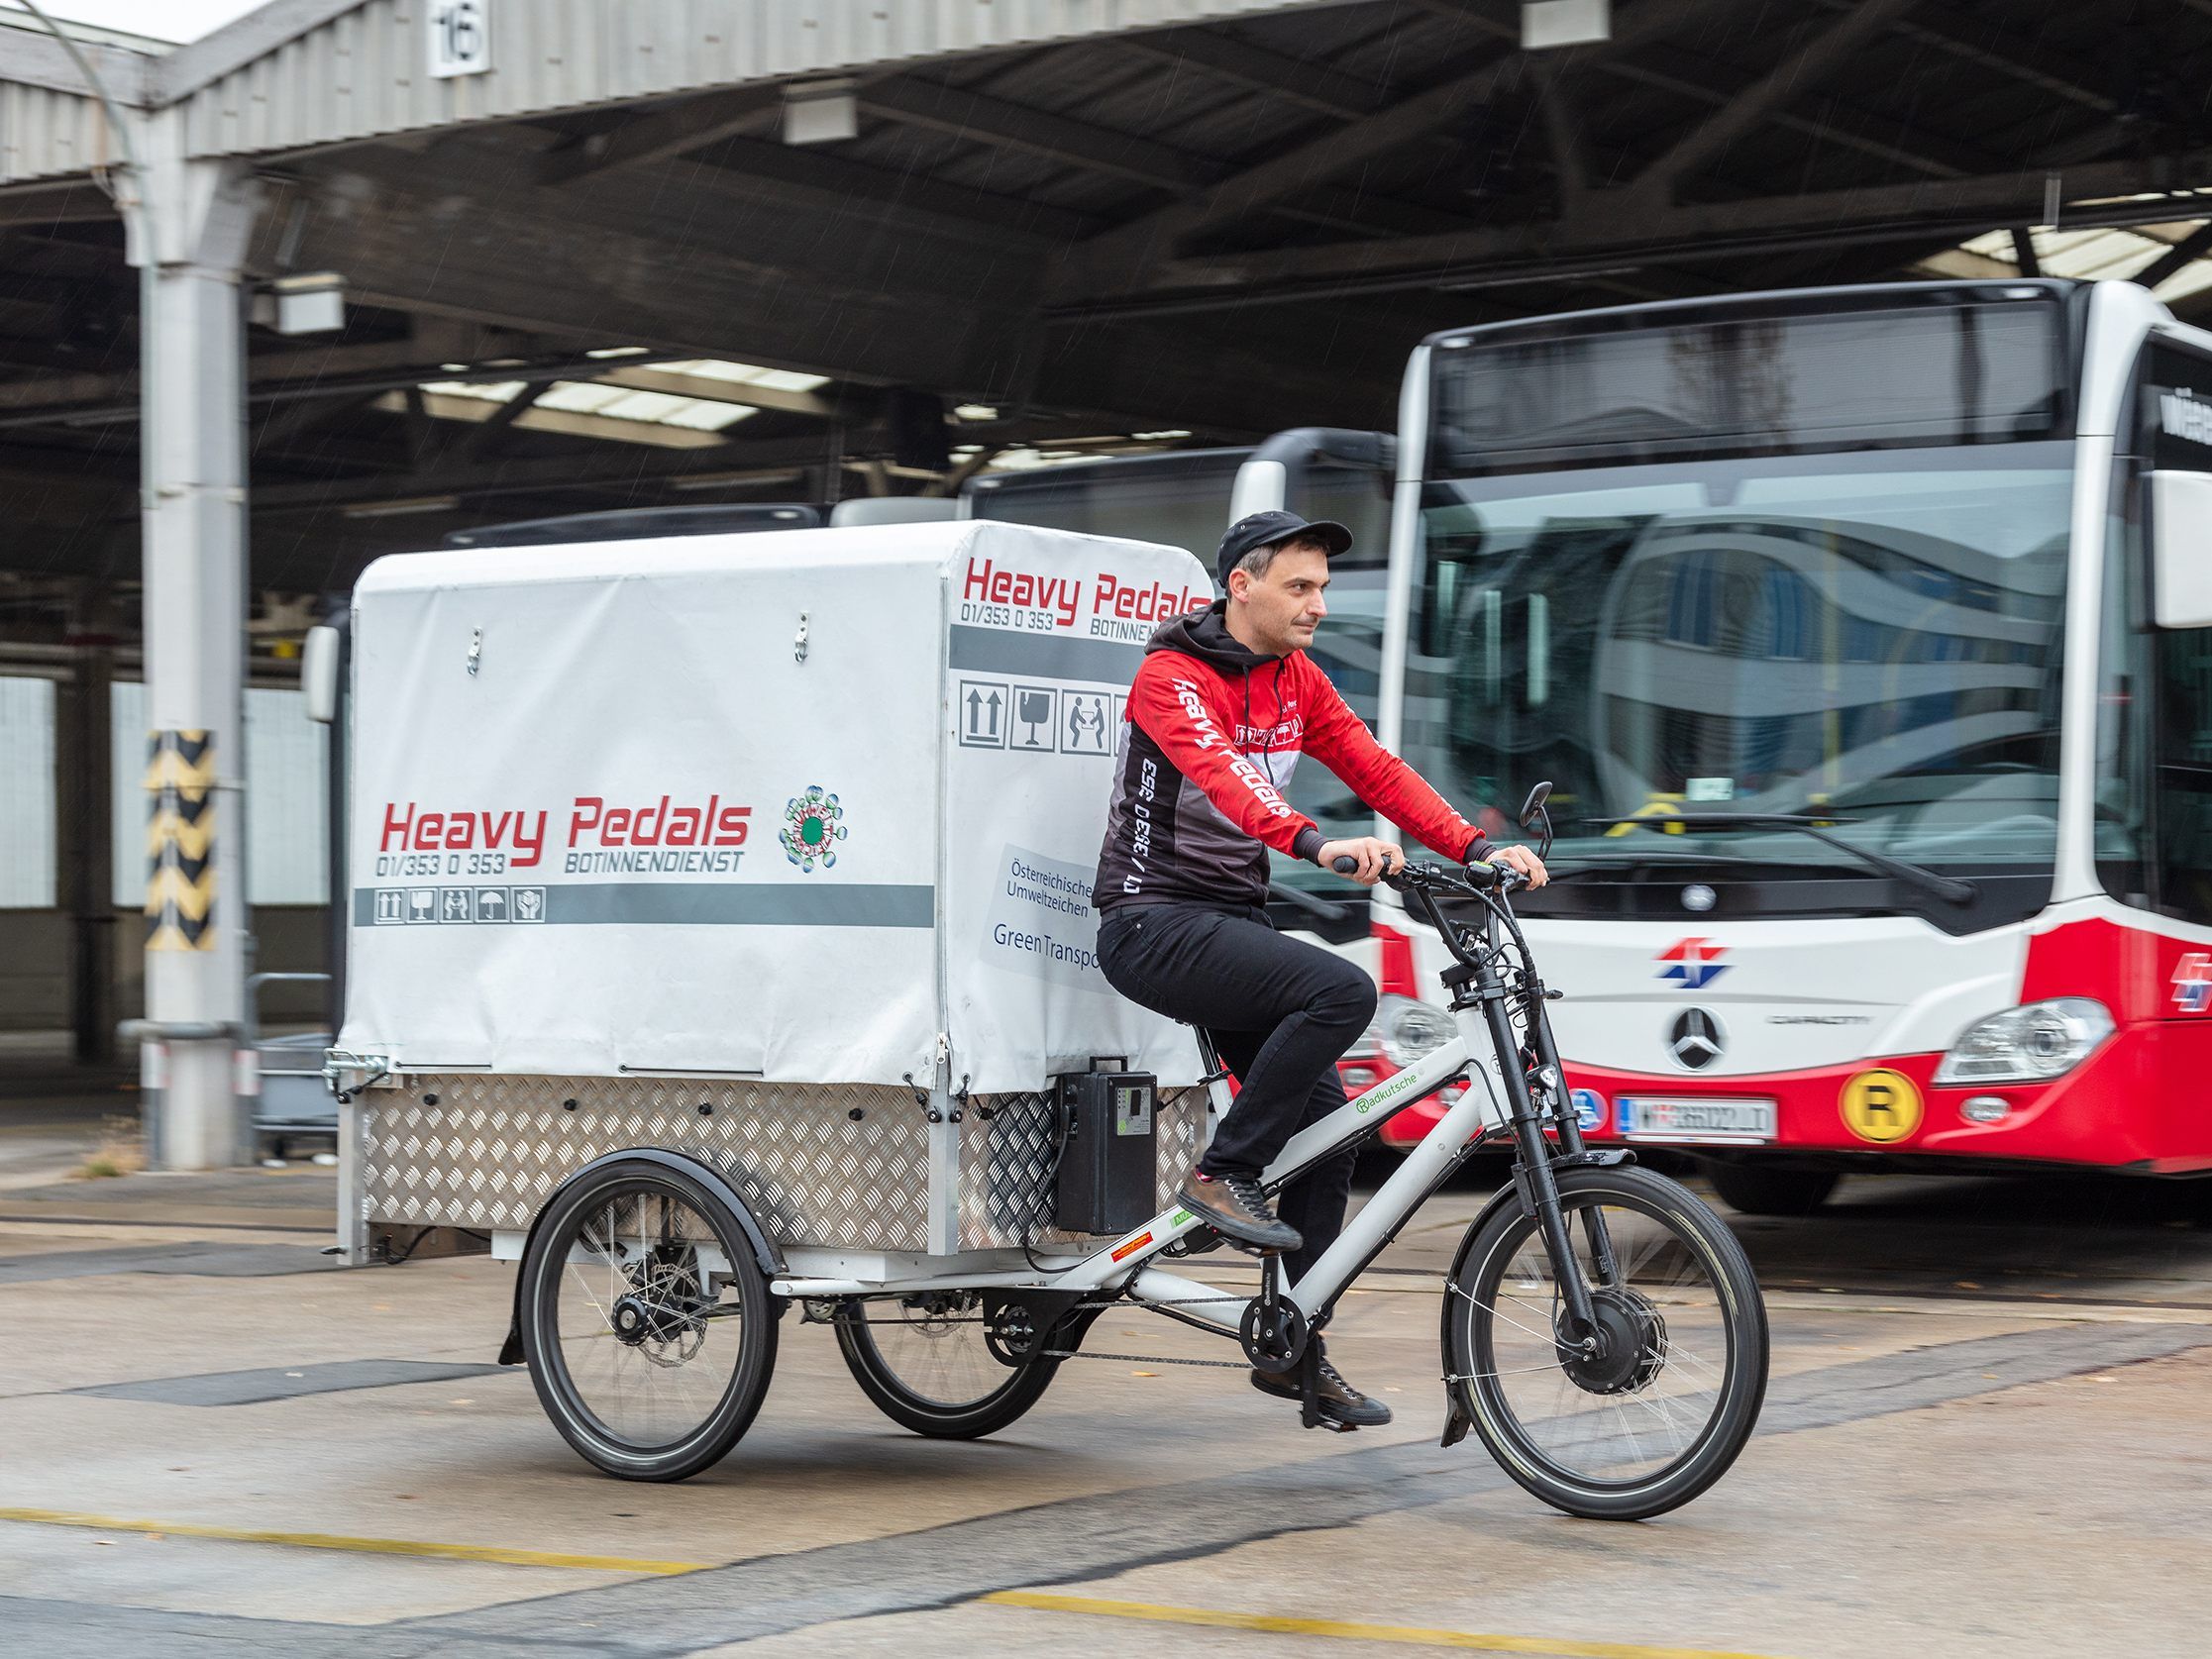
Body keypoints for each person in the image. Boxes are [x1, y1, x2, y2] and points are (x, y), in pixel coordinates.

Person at [1092, 509, 1548, 1429]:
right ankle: (1223, 1172)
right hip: (1150, 922)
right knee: (1339, 989)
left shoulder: (1297, 679)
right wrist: (1312, 842)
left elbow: (1375, 770)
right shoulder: (1170, 676)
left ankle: (1294, 1344)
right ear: (1241, 586)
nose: (1316, 604)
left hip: (1227, 921)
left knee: (1332, 1131)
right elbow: (1226, 778)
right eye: (1298, 587)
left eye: (1322, 589)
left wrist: (1470, 848)